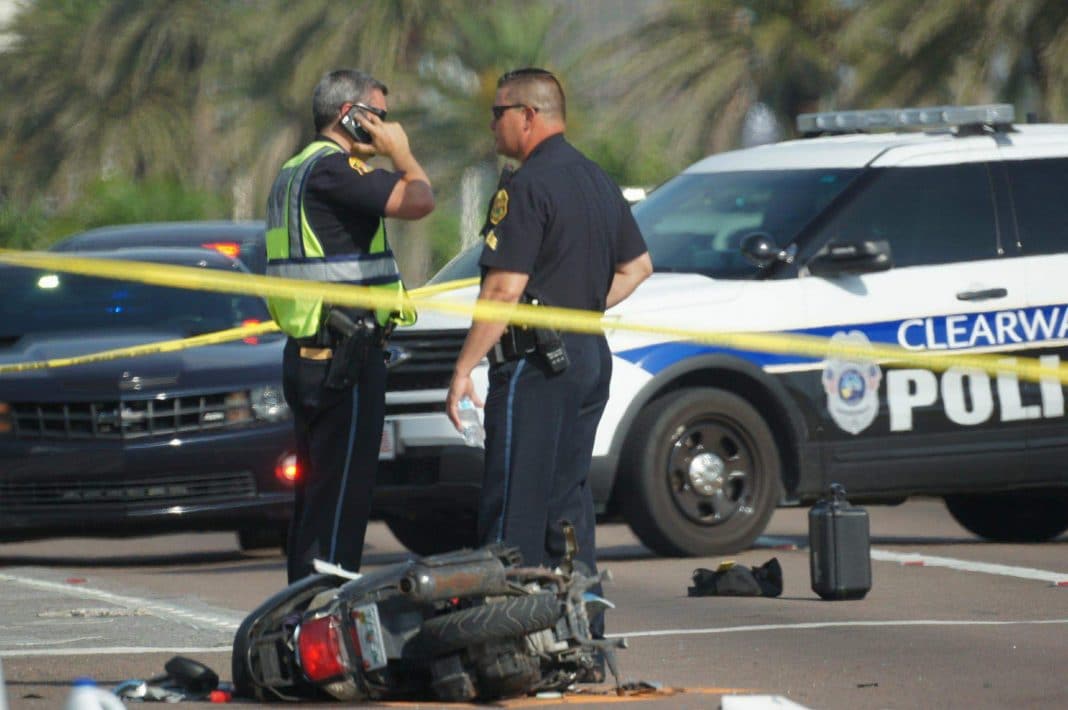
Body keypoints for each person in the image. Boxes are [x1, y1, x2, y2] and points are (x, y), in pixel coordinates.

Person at [445, 68, 653, 644]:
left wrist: (464, 369)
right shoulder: (595, 178)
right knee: (569, 505)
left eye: (498, 113)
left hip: (536, 365)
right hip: (586, 356)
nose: (492, 125)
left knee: (513, 506)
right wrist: (578, 309)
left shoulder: (527, 184)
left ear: (528, 116)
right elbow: (637, 268)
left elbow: (504, 289)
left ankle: (509, 642)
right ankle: (580, 637)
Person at [265, 69, 433, 583]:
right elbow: (420, 201)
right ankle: (325, 615)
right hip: (346, 357)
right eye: (379, 117)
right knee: (342, 497)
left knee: (317, 497)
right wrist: (402, 154)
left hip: (312, 354)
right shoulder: (336, 171)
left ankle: (300, 613)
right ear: (350, 116)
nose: (386, 127)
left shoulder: (296, 168)